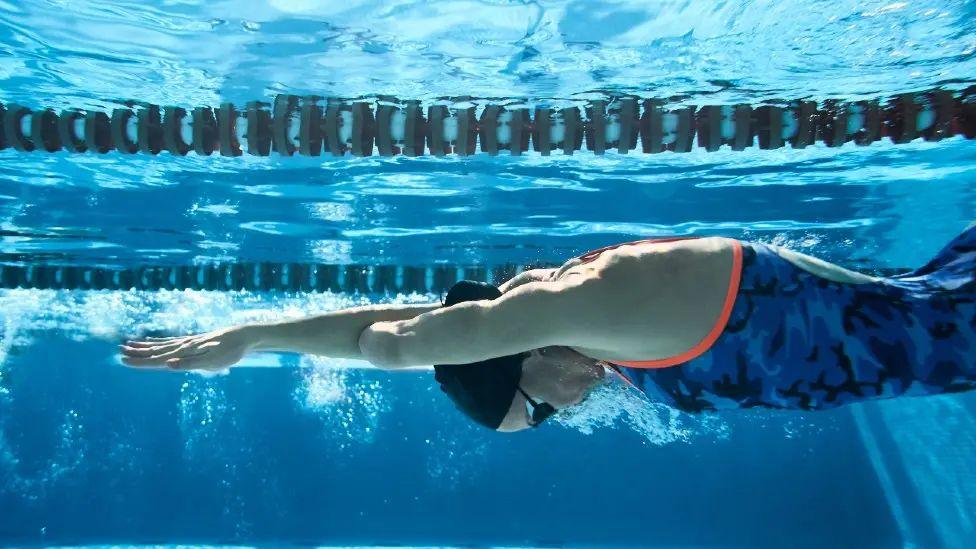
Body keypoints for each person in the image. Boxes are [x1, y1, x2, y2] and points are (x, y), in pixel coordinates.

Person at [121, 222, 976, 432]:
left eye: (545, 409)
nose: (572, 408)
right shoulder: (603, 332)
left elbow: (397, 342)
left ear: (513, 356)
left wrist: (254, 337)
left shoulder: (586, 306)